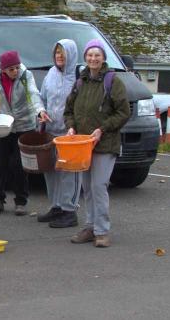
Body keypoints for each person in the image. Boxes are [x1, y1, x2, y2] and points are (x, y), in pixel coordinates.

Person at [65, 39, 130, 248]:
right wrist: (71, 127)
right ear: (85, 57)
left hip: (104, 143)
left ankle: (102, 231)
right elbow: (69, 110)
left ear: (103, 58)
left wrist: (103, 129)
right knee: (87, 187)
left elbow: (123, 112)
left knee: (98, 185)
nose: (93, 58)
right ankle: (90, 227)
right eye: (90, 55)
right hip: (82, 144)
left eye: (97, 55)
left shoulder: (113, 81)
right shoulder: (80, 82)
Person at [0, 50, 44, 216]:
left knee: (20, 165)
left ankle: (21, 201)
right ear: (3, 69)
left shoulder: (26, 77)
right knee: (0, 163)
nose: (15, 71)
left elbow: (34, 95)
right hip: (3, 126)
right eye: (11, 69)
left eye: (17, 67)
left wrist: (40, 111)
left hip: (24, 125)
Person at [37, 39, 81, 228]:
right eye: (57, 53)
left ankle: (69, 211)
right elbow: (41, 97)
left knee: (69, 173)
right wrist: (41, 111)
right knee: (51, 171)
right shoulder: (50, 75)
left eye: (63, 53)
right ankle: (56, 207)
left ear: (71, 55)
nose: (59, 56)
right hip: (51, 132)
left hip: (70, 134)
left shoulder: (79, 77)